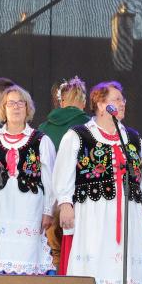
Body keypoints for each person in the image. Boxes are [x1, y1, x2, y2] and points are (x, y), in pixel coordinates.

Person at [53, 81, 142, 284]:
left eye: (123, 100)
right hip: (93, 211)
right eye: (116, 99)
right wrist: (65, 203)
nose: (122, 104)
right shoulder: (79, 135)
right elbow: (63, 172)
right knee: (95, 256)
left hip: (127, 211)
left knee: (123, 261)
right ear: (101, 105)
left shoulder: (132, 138)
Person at [0, 84, 55, 274]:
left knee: (25, 257)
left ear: (27, 108)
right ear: (3, 109)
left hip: (29, 209)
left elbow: (49, 178)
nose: (16, 107)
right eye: (11, 103)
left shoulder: (41, 140)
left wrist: (48, 210)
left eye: (20, 103)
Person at [39, 77, 91, 268]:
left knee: (53, 251)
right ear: (83, 102)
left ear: (61, 102)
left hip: (48, 201)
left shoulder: (43, 128)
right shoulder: (90, 127)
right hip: (79, 199)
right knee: (79, 252)